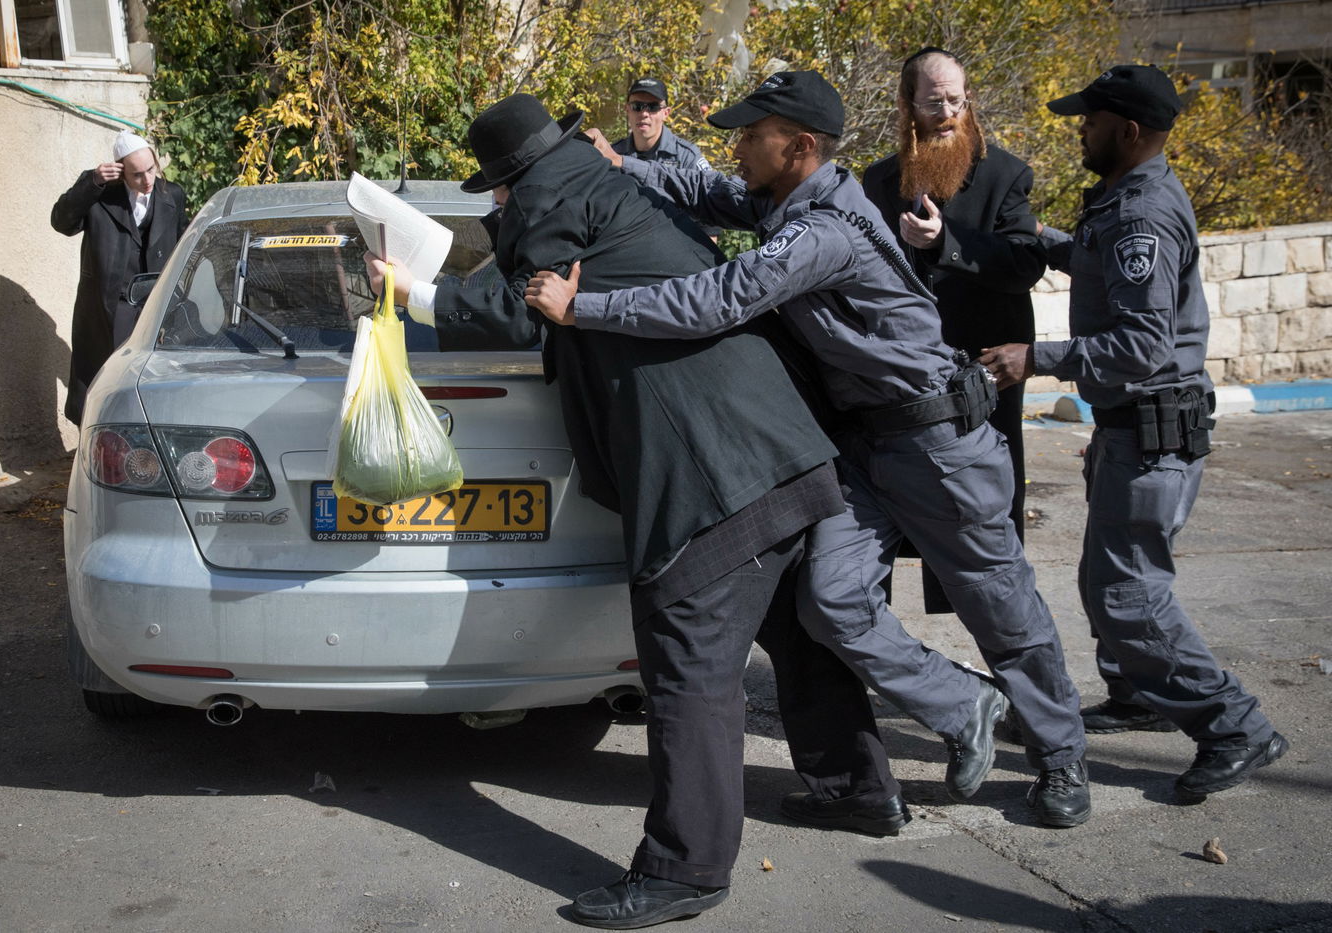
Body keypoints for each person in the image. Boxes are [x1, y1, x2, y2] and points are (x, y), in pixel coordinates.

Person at [367, 93, 902, 930]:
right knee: (798, 639)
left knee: (687, 664)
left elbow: (519, 307)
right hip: (782, 447)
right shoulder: (605, 183)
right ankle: (859, 789)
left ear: (513, 178)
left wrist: (412, 292)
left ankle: (685, 869)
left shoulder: (548, 198)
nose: (497, 206)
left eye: (495, 192)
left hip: (709, 470)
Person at [525, 71, 1091, 830]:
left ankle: (1062, 760)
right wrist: (622, 165)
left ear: (799, 146)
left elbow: (717, 297)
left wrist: (580, 308)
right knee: (830, 600)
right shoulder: (789, 199)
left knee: (1001, 607)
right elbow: (712, 192)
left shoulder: (824, 231)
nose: (738, 147)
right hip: (865, 447)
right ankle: (966, 703)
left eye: (751, 135)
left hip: (937, 444)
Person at [979, 65, 1288, 803]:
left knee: (1126, 594)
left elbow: (1142, 345)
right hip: (1132, 428)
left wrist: (1036, 360)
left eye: (1089, 119)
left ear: (1130, 130)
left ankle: (1233, 723)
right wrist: (1038, 240)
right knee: (1109, 581)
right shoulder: (1124, 200)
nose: (1079, 128)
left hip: (1153, 432)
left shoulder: (1145, 213)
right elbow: (1096, 256)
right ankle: (1137, 690)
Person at [862, 48, 1047, 614]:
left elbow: (1024, 263)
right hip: (902, 378)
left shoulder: (1005, 174)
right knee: (888, 514)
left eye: (956, 101)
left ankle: (1000, 643)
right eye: (933, 101)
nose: (947, 113)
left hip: (980, 378)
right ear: (908, 105)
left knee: (979, 526)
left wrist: (947, 244)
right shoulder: (879, 180)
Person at [51, 130, 188, 425]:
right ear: (121, 172)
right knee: (101, 377)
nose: (147, 180)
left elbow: (182, 247)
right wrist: (93, 182)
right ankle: (94, 446)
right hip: (107, 303)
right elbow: (62, 222)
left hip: (153, 304)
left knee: (150, 378)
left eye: (151, 170)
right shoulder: (99, 195)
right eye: (137, 175)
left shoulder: (172, 194)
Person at [610, 77, 720, 240]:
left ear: (666, 113)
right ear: (627, 109)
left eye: (653, 107)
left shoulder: (686, 157)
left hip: (674, 250)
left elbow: (710, 222)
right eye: (637, 106)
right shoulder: (614, 154)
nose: (644, 114)